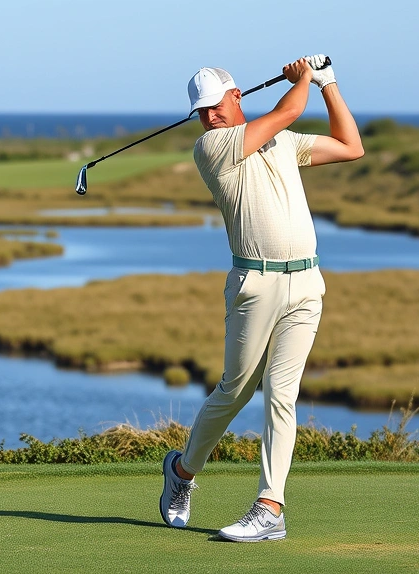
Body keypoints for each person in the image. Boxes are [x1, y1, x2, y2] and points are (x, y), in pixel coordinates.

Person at [159, 55, 364, 542]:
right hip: (255, 285)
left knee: (282, 393)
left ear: (237, 97)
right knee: (235, 391)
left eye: (215, 105)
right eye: (201, 110)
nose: (209, 116)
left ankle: (270, 508)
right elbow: (290, 110)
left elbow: (351, 147)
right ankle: (183, 473)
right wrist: (304, 80)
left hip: (307, 284)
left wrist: (329, 85)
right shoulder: (212, 147)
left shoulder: (283, 144)